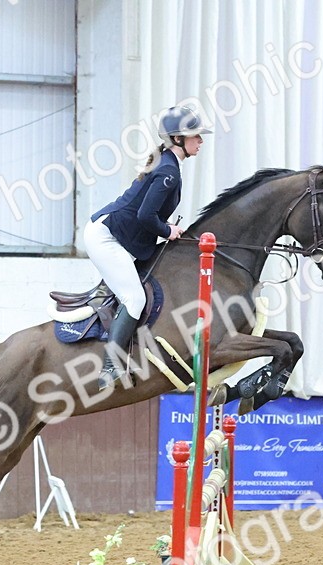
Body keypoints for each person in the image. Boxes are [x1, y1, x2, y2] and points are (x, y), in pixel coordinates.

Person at [84, 105, 211, 388]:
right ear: (178, 139)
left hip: (117, 235)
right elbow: (145, 216)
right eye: (196, 136)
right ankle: (110, 367)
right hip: (106, 237)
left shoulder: (168, 163)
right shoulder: (168, 171)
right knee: (135, 299)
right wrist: (168, 231)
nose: (201, 141)